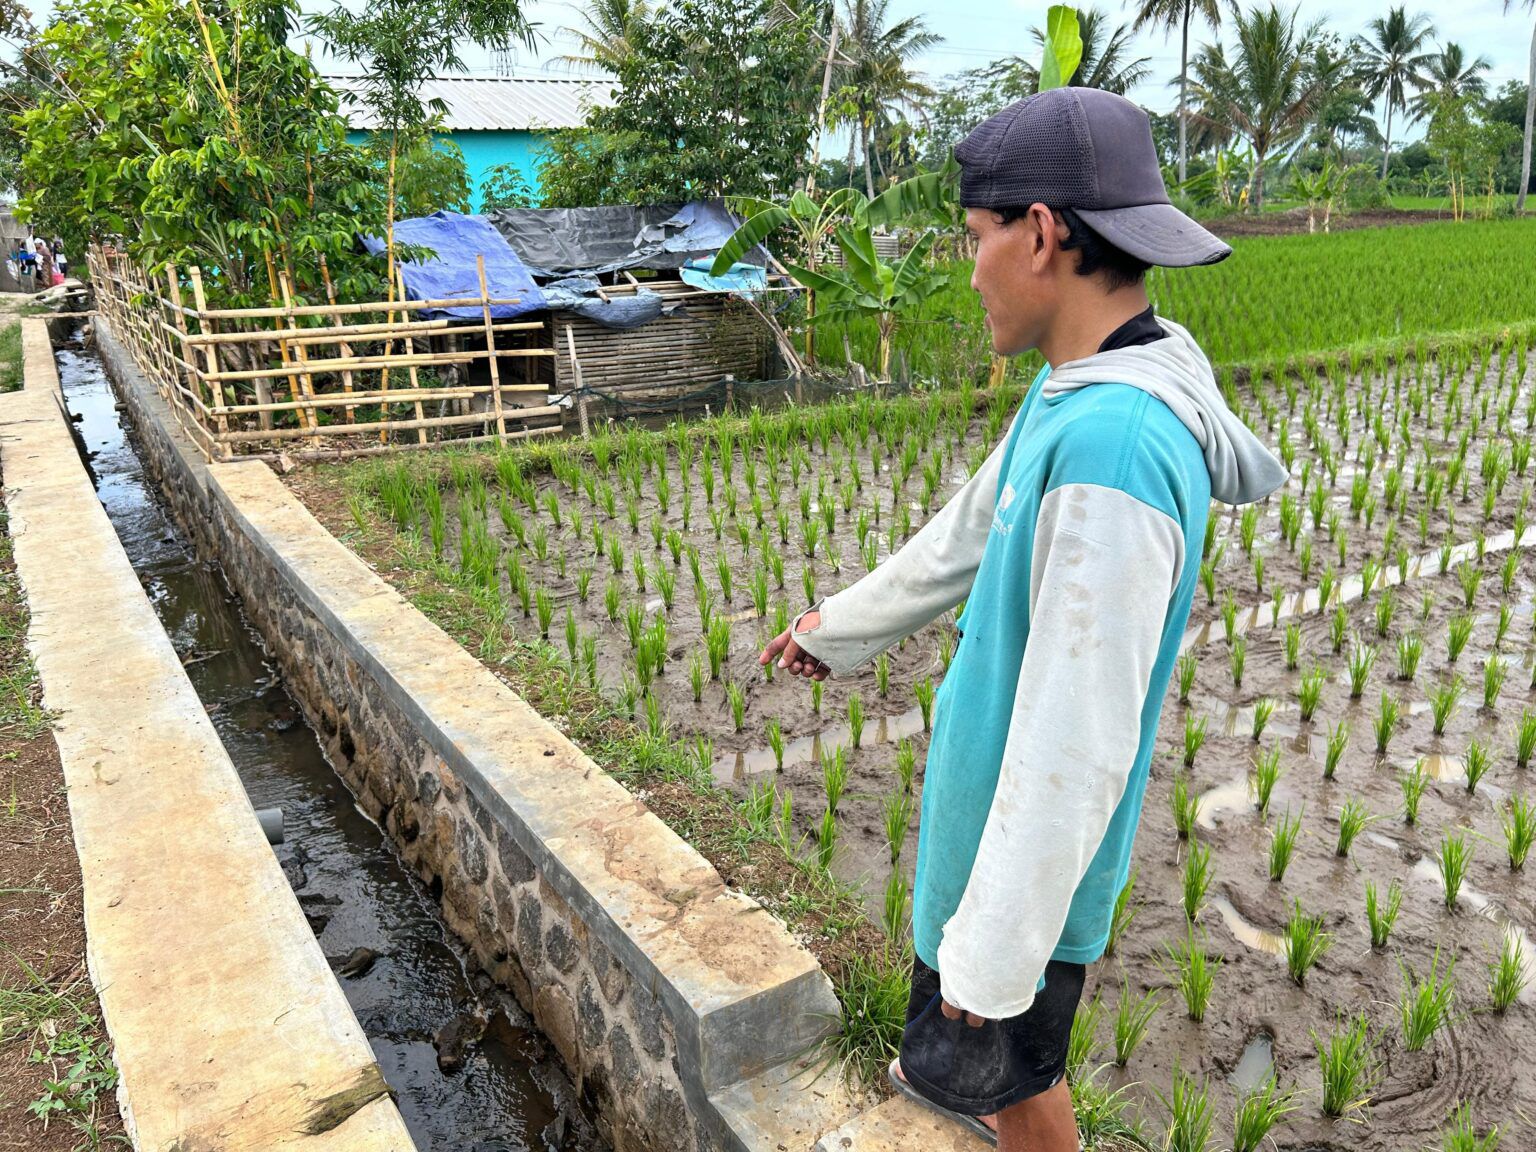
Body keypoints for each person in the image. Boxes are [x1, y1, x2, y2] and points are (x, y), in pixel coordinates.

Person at [760, 87, 1286, 1152]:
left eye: (974, 238)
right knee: (995, 1082)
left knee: (1011, 1082)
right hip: (984, 833)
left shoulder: (1117, 448)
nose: (968, 268)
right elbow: (965, 533)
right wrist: (841, 629)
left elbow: (1078, 733)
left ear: (1040, 234)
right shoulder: (1075, 387)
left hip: (1022, 867)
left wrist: (993, 953)